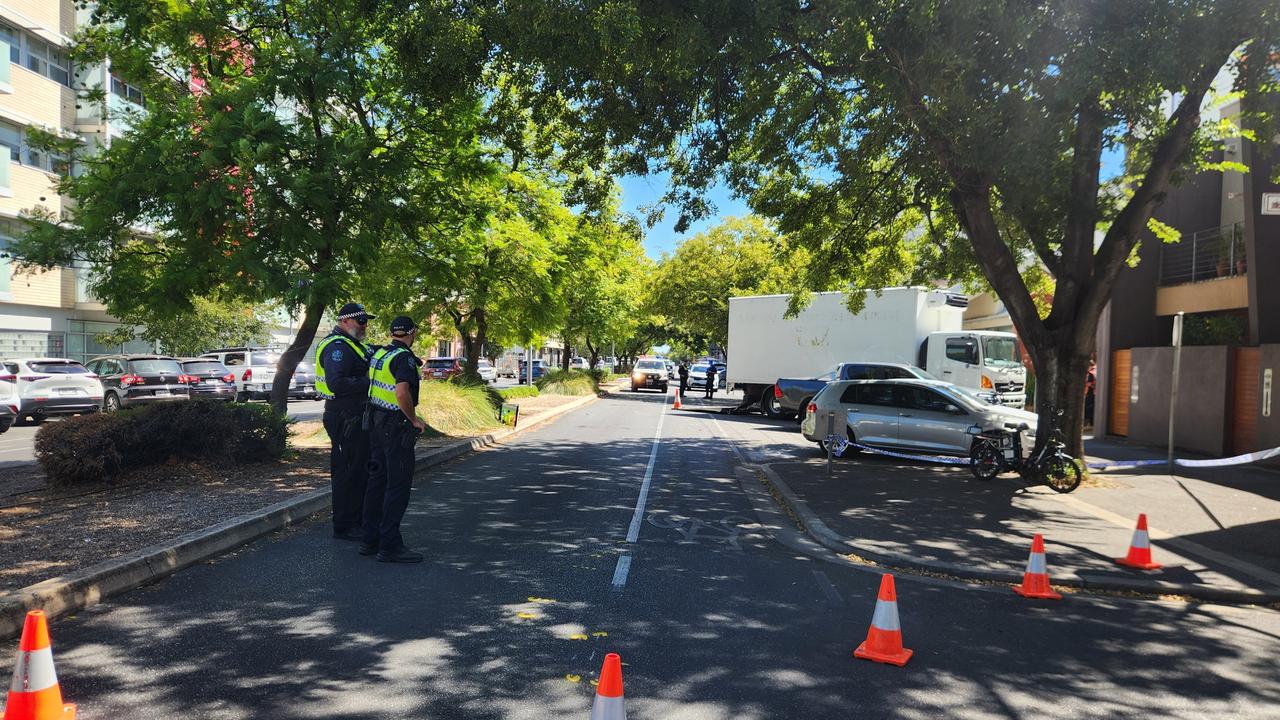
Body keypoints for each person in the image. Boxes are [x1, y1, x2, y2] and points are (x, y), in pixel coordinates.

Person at [361, 315, 428, 563]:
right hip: (395, 427)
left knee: (376, 482)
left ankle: (370, 539)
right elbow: (402, 393)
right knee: (397, 485)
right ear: (412, 333)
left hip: (376, 423)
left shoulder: (381, 355)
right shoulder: (404, 358)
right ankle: (389, 545)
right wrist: (413, 420)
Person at [316, 302, 375, 542]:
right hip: (344, 416)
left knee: (359, 468)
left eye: (366, 321)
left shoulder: (354, 346)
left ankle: (357, 520)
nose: (365, 325)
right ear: (345, 321)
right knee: (347, 471)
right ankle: (345, 525)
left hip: (355, 415)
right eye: (360, 321)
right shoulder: (337, 347)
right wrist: (370, 383)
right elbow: (336, 384)